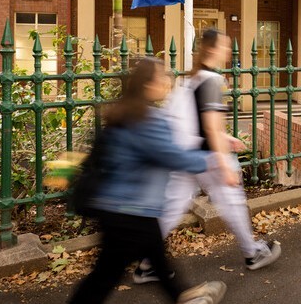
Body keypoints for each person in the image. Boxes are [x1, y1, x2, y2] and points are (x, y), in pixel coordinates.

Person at [68, 58, 227, 304]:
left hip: (124, 208)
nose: (167, 82)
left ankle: (183, 296)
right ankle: (185, 298)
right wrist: (215, 159)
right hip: (130, 210)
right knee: (104, 277)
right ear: (147, 84)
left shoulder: (126, 112)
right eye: (162, 77)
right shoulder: (148, 119)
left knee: (154, 263)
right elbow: (172, 156)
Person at [134, 28, 281, 284]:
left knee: (172, 207)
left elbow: (195, 122)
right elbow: (211, 127)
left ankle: (147, 264)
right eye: (225, 45)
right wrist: (224, 164)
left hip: (183, 153)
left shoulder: (194, 78)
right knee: (232, 201)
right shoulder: (213, 80)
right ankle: (252, 253)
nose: (228, 50)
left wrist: (226, 138)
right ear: (212, 49)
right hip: (205, 156)